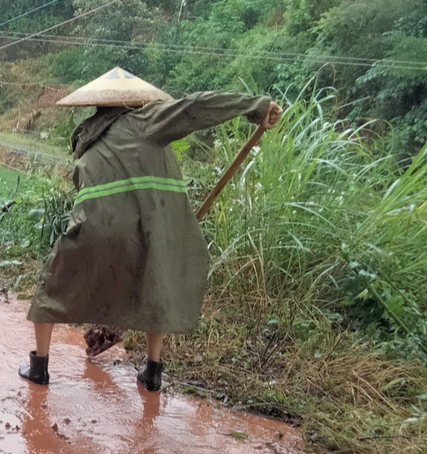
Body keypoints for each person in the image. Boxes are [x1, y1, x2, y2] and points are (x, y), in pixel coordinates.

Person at [19, 67, 282, 391]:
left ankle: (39, 370)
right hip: (147, 233)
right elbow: (195, 107)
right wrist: (254, 106)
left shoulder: (88, 139)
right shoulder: (148, 121)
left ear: (99, 107)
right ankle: (153, 372)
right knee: (154, 287)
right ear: (136, 102)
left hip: (91, 230)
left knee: (51, 289)